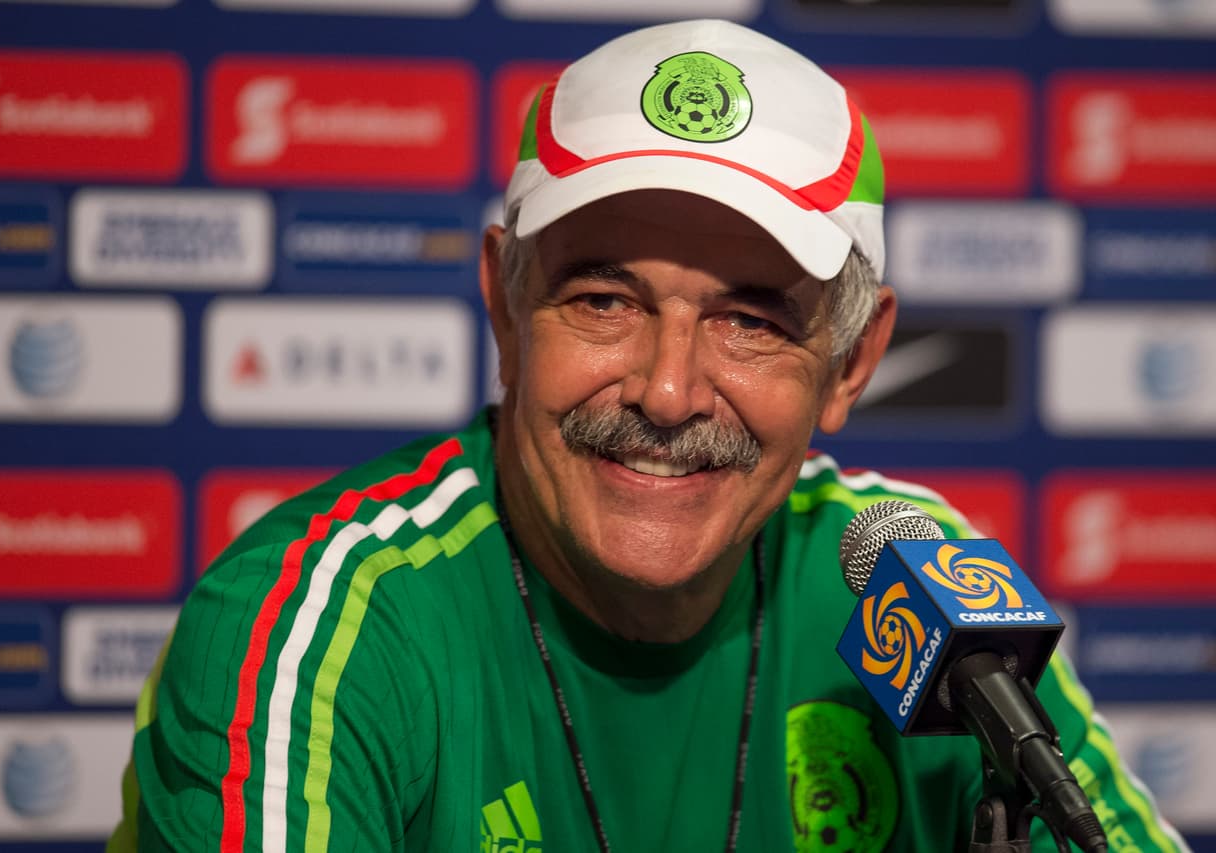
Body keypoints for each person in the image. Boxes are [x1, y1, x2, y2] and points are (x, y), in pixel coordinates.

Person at [110, 19, 1189, 853]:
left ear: (852, 361)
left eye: (749, 320)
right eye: (603, 301)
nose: (668, 393)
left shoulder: (918, 588)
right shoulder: (321, 625)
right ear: (503, 308)